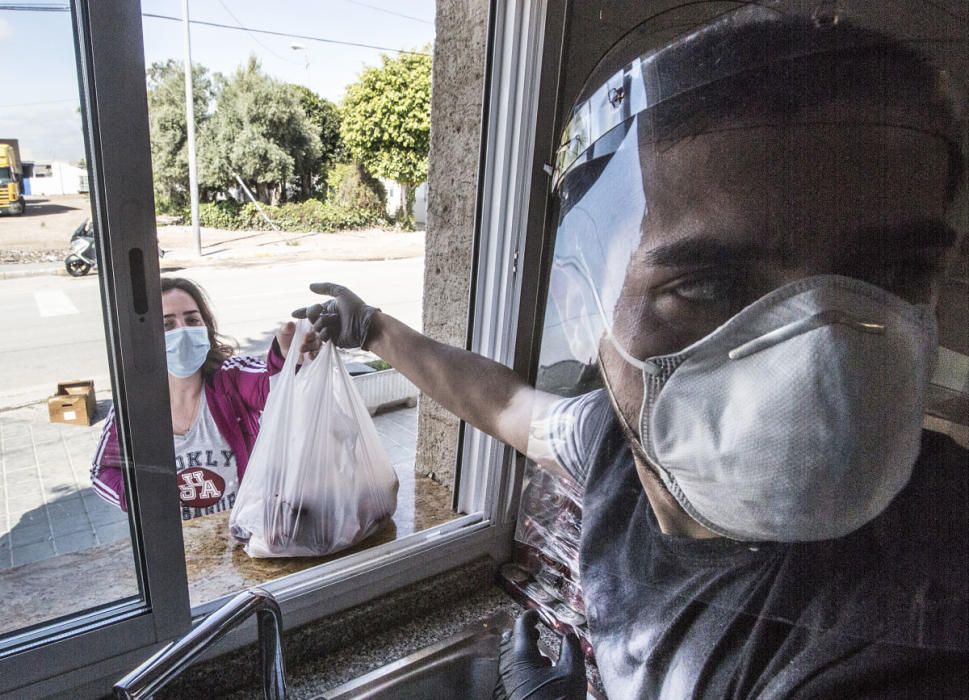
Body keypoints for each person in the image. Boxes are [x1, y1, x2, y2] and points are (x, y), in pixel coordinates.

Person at [297, 2, 968, 698]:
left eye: (892, 274)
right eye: (709, 284)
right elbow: (505, 403)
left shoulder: (924, 610)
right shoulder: (622, 447)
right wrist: (374, 327)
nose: (819, 362)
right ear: (583, 305)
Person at [91, 277, 318, 521]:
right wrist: (137, 498)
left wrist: (286, 357)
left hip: (245, 528)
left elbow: (270, 385)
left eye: (192, 320)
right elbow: (102, 471)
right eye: (167, 325)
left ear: (206, 327)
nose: (183, 331)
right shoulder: (134, 405)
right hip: (176, 543)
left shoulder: (231, 377)